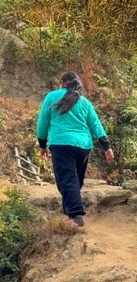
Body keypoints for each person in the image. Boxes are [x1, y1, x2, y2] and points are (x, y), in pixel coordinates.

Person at [35, 72, 115, 227]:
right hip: (84, 146)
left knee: (67, 180)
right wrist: (107, 147)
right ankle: (71, 213)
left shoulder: (52, 96)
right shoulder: (84, 102)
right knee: (75, 181)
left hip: (61, 143)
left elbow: (43, 122)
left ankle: (76, 216)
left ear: (62, 82)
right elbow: (95, 124)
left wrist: (42, 144)